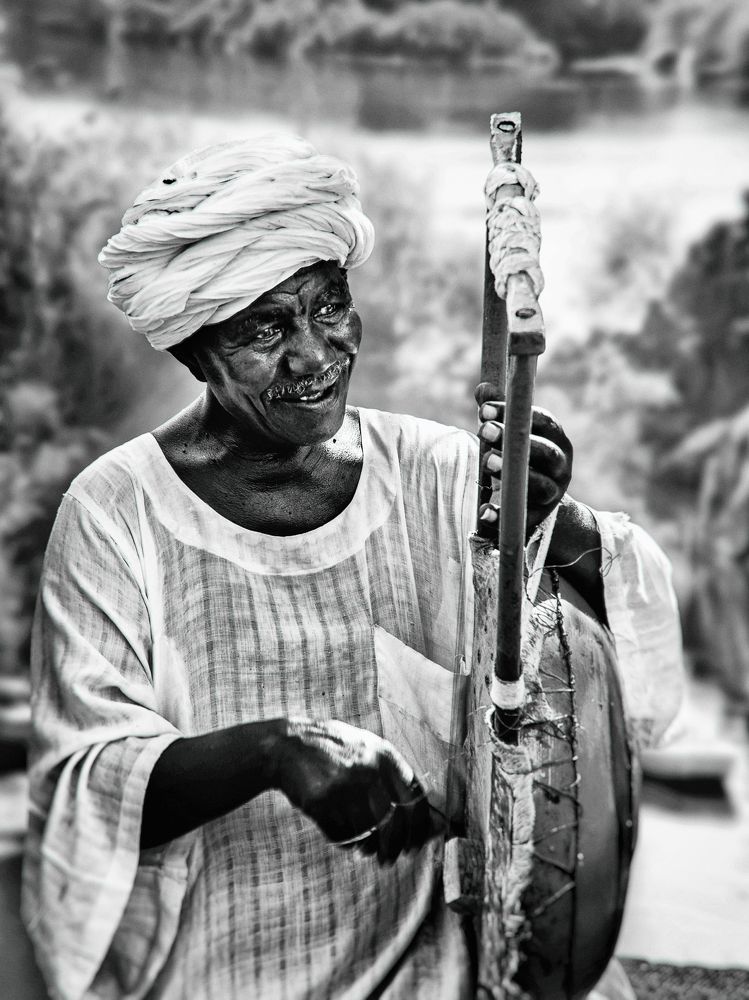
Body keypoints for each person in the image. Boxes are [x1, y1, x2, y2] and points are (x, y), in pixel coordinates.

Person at [22, 135, 684, 1000]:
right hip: (221, 960)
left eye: (328, 307)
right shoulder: (116, 511)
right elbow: (82, 783)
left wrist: (552, 520)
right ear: (192, 349)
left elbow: (618, 657)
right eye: (265, 329)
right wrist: (270, 752)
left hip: (442, 955)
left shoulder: (435, 469)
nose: (314, 354)